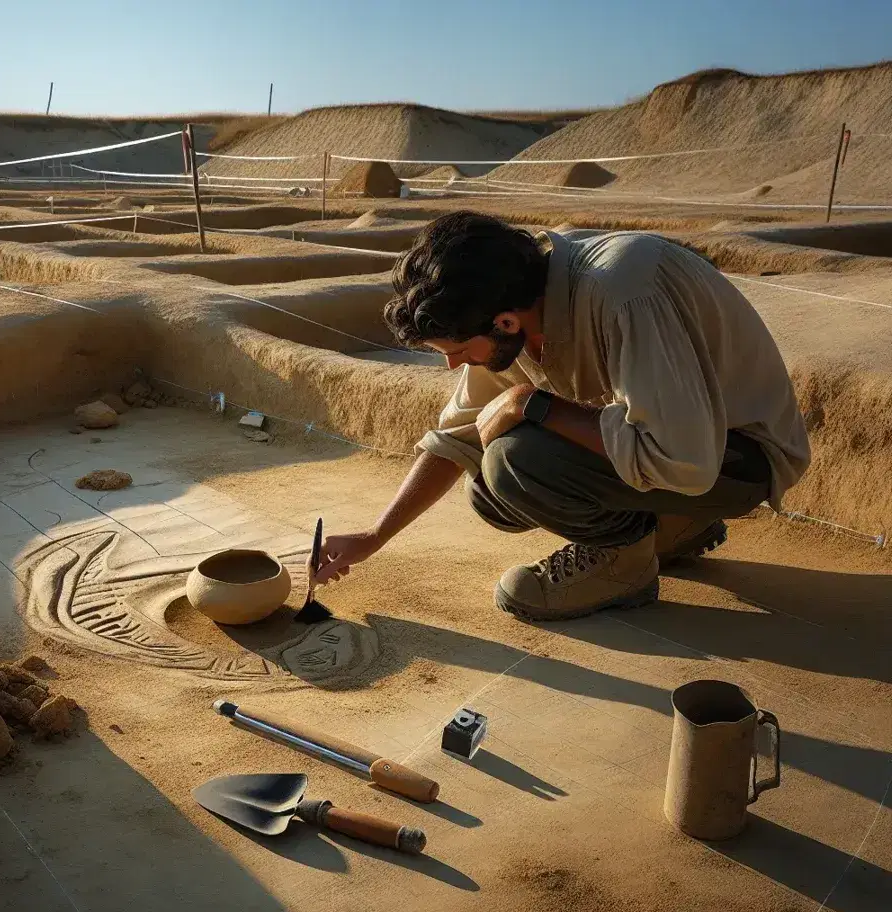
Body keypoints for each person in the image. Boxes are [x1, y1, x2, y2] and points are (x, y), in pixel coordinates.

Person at [311, 211, 811, 621]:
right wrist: (376, 535)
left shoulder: (623, 292)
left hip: (740, 459)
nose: (452, 364)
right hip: (688, 458)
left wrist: (535, 403)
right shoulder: (514, 306)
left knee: (516, 459)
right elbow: (456, 436)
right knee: (488, 489)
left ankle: (626, 562)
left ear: (504, 321)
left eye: (460, 349)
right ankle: (674, 525)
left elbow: (686, 460)